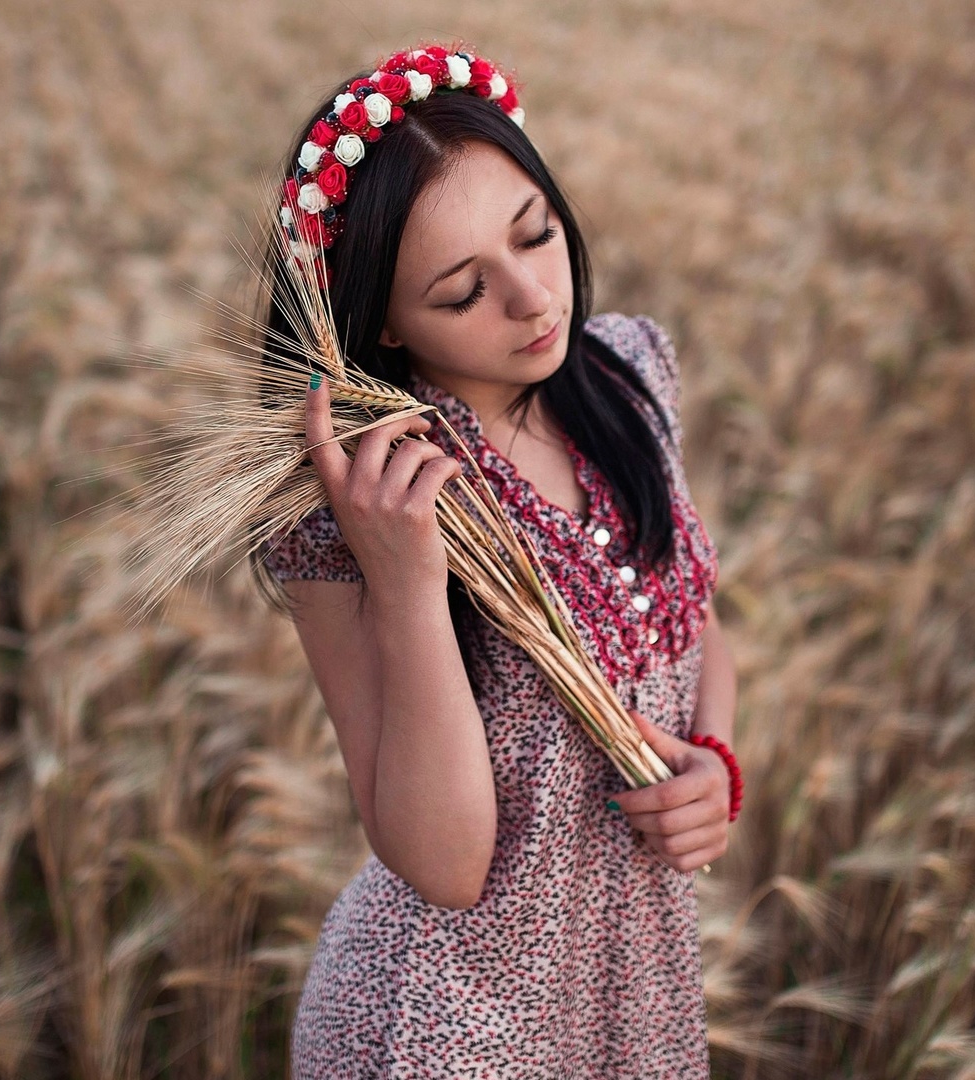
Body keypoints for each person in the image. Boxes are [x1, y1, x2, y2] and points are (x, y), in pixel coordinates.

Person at [252, 43, 739, 1078]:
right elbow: (446, 866)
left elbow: (690, 622)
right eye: (466, 291)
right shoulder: (349, 505)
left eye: (538, 234)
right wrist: (407, 580)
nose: (532, 301)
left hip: (635, 989)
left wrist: (716, 765)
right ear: (378, 317)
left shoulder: (628, 373)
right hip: (454, 1016)